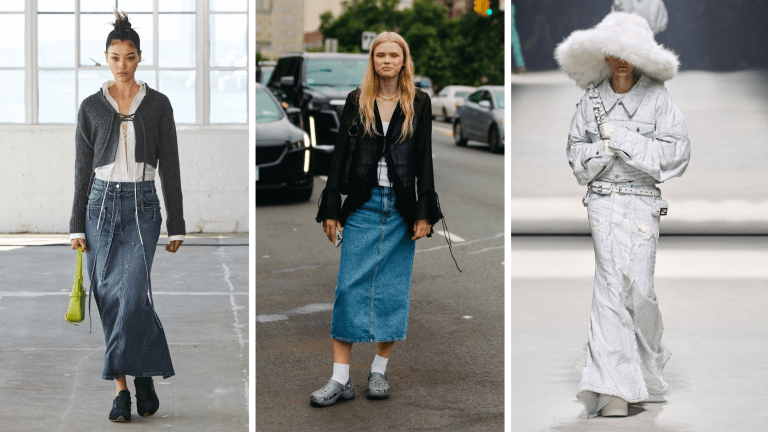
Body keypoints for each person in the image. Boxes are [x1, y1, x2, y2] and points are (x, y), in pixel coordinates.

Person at [555, 12, 690, 417]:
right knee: (610, 288)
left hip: (643, 202)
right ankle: (611, 387)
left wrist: (625, 139)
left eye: (629, 53)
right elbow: (575, 155)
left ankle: (646, 368)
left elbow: (678, 153)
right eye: (613, 53)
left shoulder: (658, 98)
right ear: (603, 56)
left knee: (640, 291)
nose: (621, 61)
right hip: (602, 199)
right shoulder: (591, 99)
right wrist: (604, 149)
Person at [312, 31, 444, 407]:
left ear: (404, 61)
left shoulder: (419, 101)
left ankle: (379, 372)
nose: (387, 61)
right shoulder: (358, 100)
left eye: (394, 55)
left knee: (392, 290)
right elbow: (340, 153)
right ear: (372, 60)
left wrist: (424, 211)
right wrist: (332, 208)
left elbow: (424, 160)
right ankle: (340, 379)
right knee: (348, 289)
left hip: (401, 208)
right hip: (363, 205)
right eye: (380, 55)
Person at [69, 11, 185, 423]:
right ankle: (126, 387)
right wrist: (75, 226)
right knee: (109, 297)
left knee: (133, 294)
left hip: (143, 207)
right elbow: (82, 170)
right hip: (99, 207)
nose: (122, 64)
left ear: (140, 58)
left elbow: (169, 165)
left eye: (130, 57)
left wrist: (178, 223)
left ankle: (139, 371)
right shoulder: (90, 107)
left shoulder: (158, 105)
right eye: (115, 57)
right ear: (106, 58)